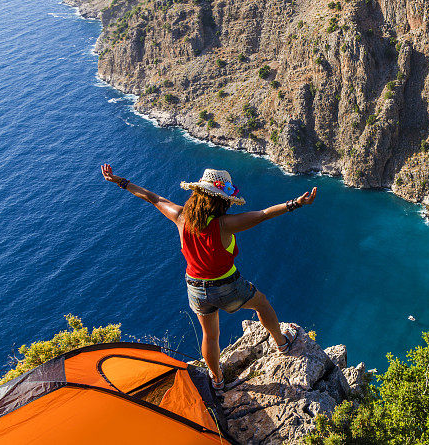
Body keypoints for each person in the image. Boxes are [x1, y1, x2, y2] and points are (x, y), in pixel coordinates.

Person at [100, 164, 317, 391]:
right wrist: (295, 203)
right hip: (227, 286)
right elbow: (262, 215)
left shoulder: (180, 217)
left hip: (195, 288)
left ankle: (217, 379)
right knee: (261, 303)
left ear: (197, 196)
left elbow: (152, 197)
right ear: (220, 201)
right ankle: (282, 343)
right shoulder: (224, 224)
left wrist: (121, 182)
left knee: (210, 335)